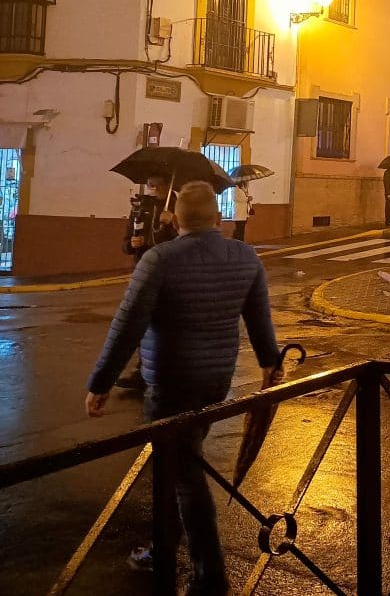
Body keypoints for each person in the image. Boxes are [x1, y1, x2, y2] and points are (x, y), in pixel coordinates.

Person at [85, 181, 279, 595]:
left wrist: (100, 383)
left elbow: (127, 326)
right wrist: (270, 366)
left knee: (185, 475)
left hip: (170, 383)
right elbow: (260, 319)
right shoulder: (245, 256)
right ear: (217, 217)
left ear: (176, 219)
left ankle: (210, 575)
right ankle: (164, 545)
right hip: (215, 381)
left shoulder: (160, 259)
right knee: (178, 465)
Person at [114, 174, 178, 391]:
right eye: (150, 185)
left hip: (170, 274)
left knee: (167, 325)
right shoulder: (141, 208)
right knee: (142, 323)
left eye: (158, 185)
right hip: (144, 272)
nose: (153, 189)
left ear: (168, 185)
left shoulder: (179, 206)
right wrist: (132, 244)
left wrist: (173, 225)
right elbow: (125, 243)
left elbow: (188, 241)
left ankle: (168, 370)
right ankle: (143, 371)